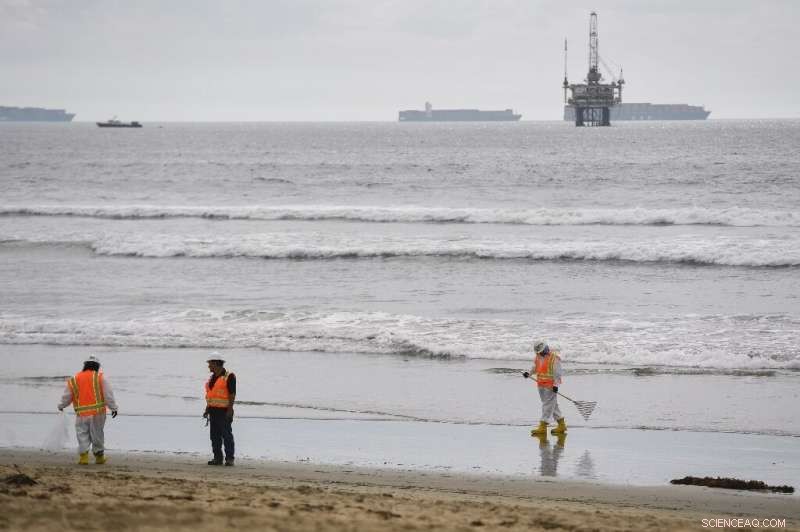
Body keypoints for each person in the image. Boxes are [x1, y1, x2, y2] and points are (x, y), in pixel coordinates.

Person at [57, 355, 119, 465]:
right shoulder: (100, 377)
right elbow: (108, 394)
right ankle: (99, 457)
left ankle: (83, 457)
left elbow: (67, 396)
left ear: (85, 365)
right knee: (97, 434)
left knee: (82, 434)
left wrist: (61, 405)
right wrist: (113, 408)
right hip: (98, 413)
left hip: (81, 414)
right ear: (97, 366)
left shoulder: (74, 379)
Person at [522, 341, 567, 435]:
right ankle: (561, 425)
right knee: (552, 405)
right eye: (540, 351)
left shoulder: (554, 358)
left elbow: (558, 373)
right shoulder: (538, 357)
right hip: (540, 384)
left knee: (547, 405)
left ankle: (543, 426)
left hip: (550, 386)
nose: (542, 352)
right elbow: (535, 367)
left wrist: (556, 385)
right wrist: (528, 373)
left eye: (543, 350)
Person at [204, 352, 236, 466]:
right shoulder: (212, 378)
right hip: (213, 411)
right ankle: (217, 458)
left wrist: (230, 410)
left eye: (210, 363)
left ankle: (229, 458)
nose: (208, 366)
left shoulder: (229, 376)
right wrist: (207, 409)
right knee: (214, 437)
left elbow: (232, 394)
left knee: (226, 435)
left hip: (224, 411)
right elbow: (211, 395)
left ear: (216, 363)